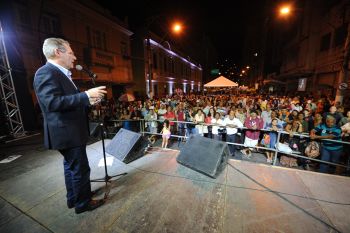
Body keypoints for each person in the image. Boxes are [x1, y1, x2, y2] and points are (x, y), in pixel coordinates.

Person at [33, 38, 106, 214]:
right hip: (66, 132)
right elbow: (52, 103)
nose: (74, 57)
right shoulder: (46, 72)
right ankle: (83, 203)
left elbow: (66, 102)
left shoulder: (60, 73)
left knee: (71, 167)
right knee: (80, 168)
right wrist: (84, 96)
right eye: (71, 52)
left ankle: (74, 198)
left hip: (69, 131)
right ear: (58, 52)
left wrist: (88, 100)